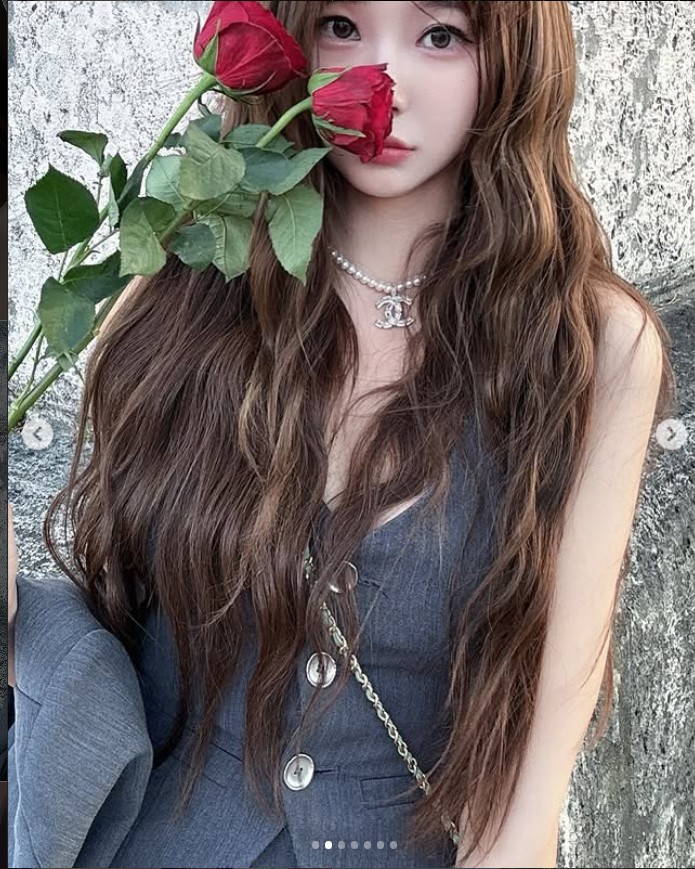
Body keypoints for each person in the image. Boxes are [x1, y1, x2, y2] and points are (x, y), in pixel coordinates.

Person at [7, 1, 676, 868]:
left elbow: (533, 783)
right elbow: (116, 628)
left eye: (440, 35)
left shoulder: (589, 346)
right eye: (339, 27)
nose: (380, 83)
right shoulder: (184, 284)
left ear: (513, 56)